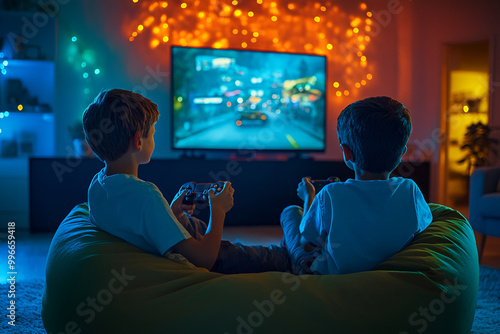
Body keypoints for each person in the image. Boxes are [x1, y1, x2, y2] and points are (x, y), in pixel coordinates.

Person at [83, 88, 289, 274]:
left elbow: (138, 225)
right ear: (138, 141)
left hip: (185, 246)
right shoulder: (146, 194)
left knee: (199, 228)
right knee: (288, 224)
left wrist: (171, 212)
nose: (153, 139)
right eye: (152, 134)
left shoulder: (98, 184)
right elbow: (205, 259)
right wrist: (218, 210)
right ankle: (300, 255)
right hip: (217, 259)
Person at [280, 96, 433, 275]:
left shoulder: (330, 194)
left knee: (290, 213)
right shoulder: (411, 191)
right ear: (402, 154)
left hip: (330, 282)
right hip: (386, 282)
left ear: (346, 152)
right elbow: (422, 230)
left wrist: (309, 198)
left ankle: (287, 261)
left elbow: (306, 246)